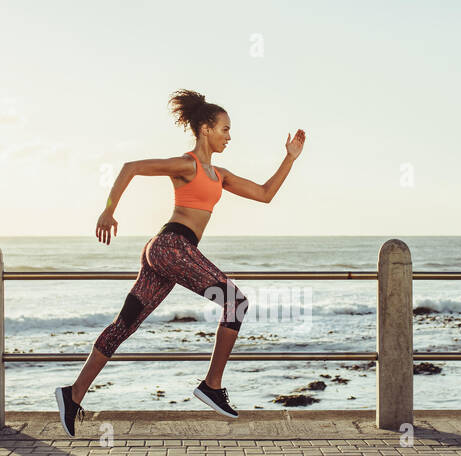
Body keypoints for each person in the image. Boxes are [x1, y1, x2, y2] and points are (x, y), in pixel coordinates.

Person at [54, 89, 306, 436]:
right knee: (236, 302)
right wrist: (108, 210)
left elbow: (265, 194)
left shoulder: (221, 175)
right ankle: (212, 385)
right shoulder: (186, 165)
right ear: (205, 128)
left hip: (165, 251)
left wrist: (290, 158)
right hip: (171, 246)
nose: (229, 136)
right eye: (225, 129)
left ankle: (72, 394)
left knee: (124, 325)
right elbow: (131, 168)